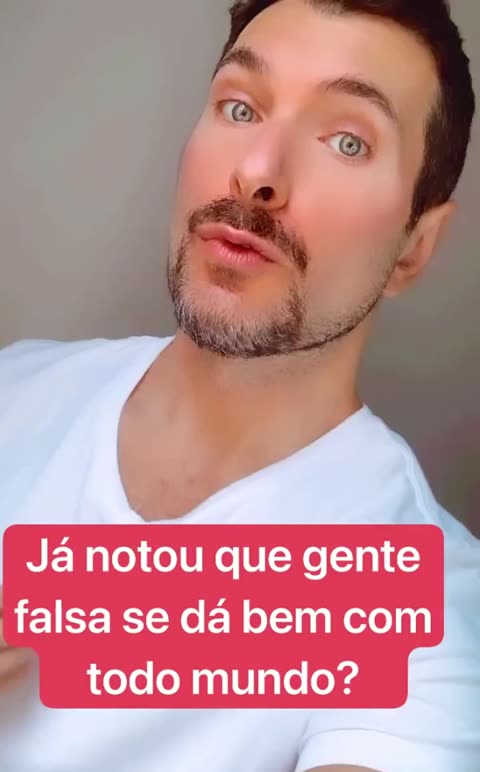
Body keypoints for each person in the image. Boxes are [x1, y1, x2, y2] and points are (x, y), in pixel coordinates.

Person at [0, 0, 479, 769]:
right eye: (240, 107)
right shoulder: (14, 392)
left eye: (347, 141)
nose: (256, 172)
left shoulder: (426, 604)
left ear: (413, 249)